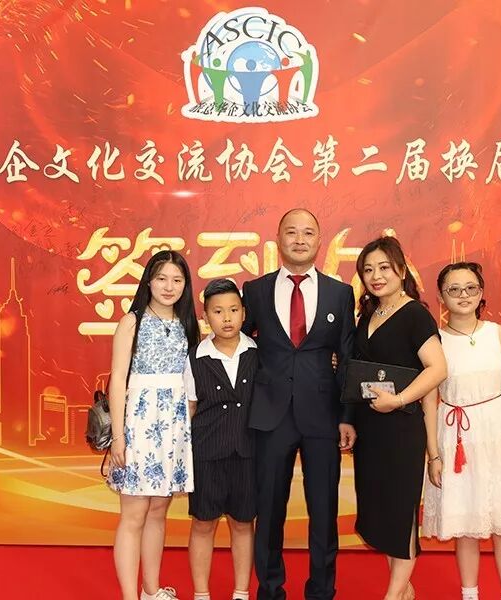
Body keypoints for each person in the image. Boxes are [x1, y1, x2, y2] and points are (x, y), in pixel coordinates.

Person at [241, 208, 357, 600]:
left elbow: (347, 359)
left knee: (323, 511)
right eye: (291, 232)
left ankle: (321, 591)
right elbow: (239, 346)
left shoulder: (340, 293)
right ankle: (270, 589)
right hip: (269, 415)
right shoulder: (254, 291)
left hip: (322, 416)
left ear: (319, 241)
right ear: (278, 238)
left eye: (308, 233)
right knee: (269, 509)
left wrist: (347, 416)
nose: (300, 240)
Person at [422, 262, 501, 600]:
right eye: (454, 289)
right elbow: (429, 400)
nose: (463, 295)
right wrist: (434, 455)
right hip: (456, 437)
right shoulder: (435, 341)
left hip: (500, 434)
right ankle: (469, 595)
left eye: (471, 288)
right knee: (465, 526)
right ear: (441, 297)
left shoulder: (498, 334)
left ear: (481, 292)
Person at [351, 236, 447, 600]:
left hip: (402, 429)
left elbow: (437, 369)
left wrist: (400, 400)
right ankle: (404, 590)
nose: (376, 276)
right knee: (380, 515)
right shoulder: (368, 314)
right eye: (368, 270)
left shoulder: (415, 315)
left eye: (384, 268)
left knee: (401, 512)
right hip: (370, 431)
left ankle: (392, 595)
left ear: (402, 271)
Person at [108, 250, 201, 600]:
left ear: (185, 285)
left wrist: (184, 426)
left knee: (159, 511)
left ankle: (151, 590)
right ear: (149, 281)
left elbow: (191, 382)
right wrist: (119, 436)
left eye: (177, 280)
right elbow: (118, 379)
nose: (169, 286)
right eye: (162, 278)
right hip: (138, 424)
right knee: (134, 514)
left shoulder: (187, 324)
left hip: (173, 429)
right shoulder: (132, 322)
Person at [184, 279, 257, 600]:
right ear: (205, 317)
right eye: (217, 311)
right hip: (206, 454)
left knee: (243, 524)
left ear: (244, 313)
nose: (226, 318)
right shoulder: (194, 358)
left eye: (233, 310)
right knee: (203, 524)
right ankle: (201, 593)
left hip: (248, 453)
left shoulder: (259, 353)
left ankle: (241, 592)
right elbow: (189, 408)